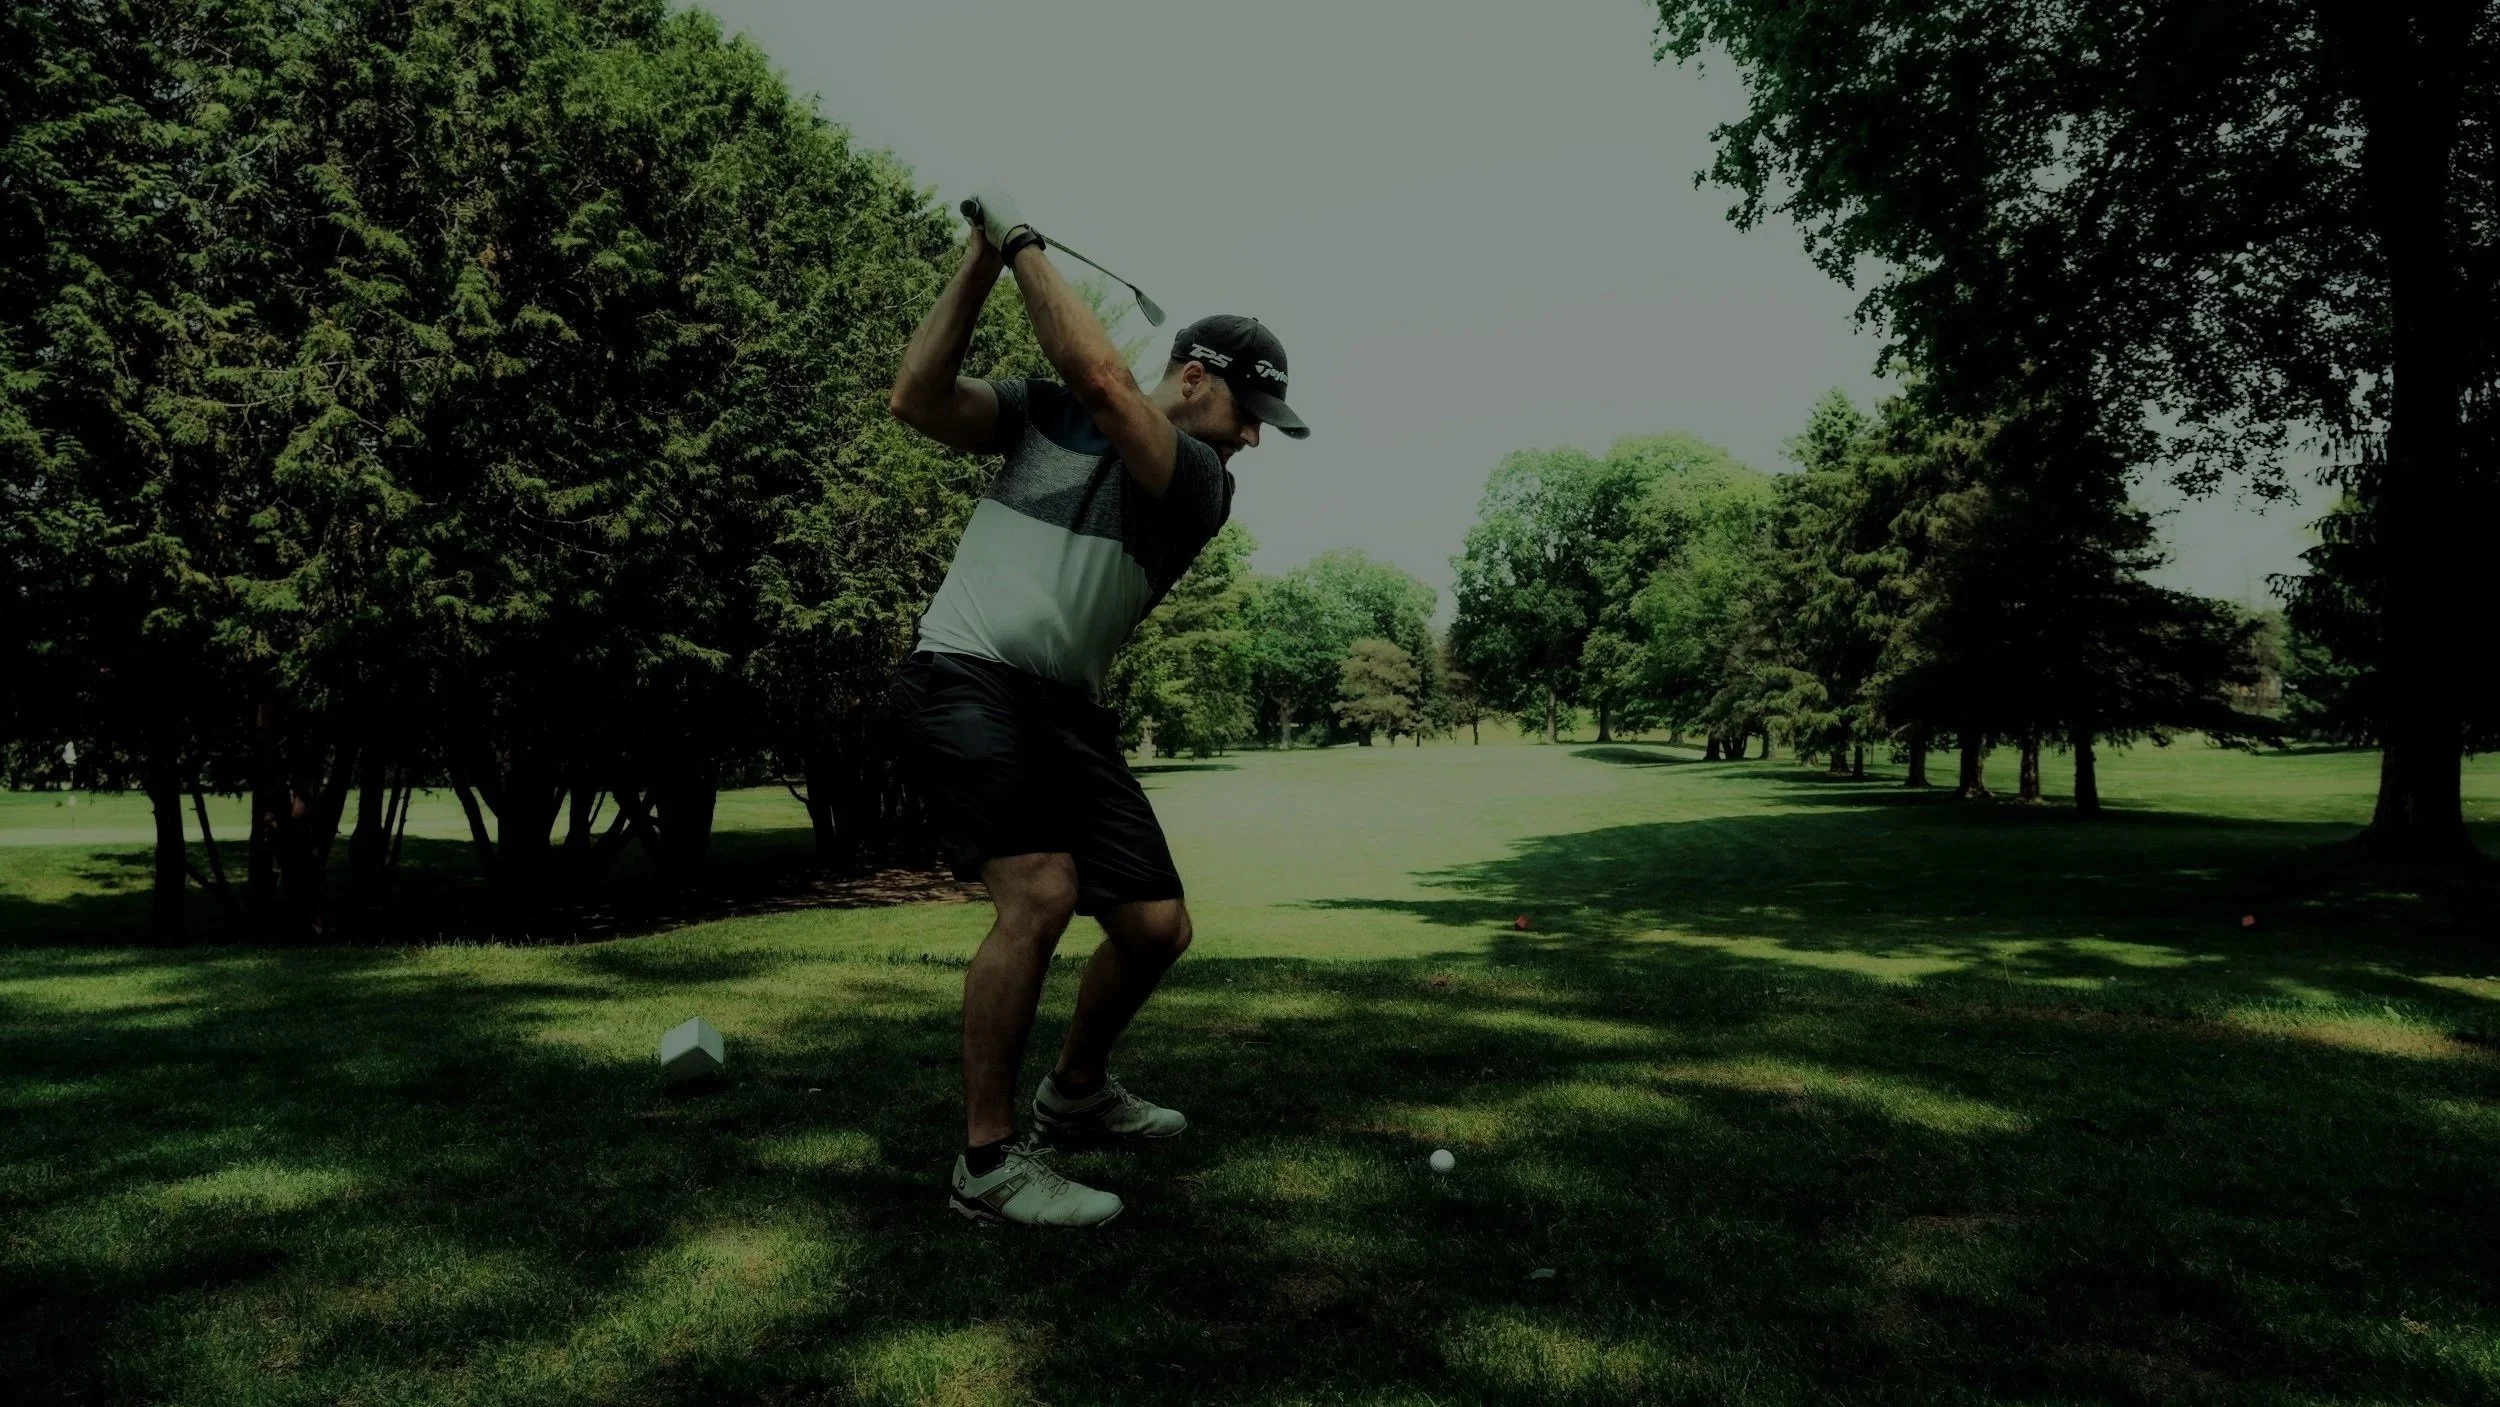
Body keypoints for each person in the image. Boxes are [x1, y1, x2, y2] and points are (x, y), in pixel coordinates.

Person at [885, 190, 1309, 1227]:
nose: (1255, 439)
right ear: (1199, 378)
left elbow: (1108, 383)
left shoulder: (1200, 479)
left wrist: (1023, 241)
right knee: (1038, 894)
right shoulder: (1042, 414)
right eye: (1250, 413)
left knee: (1156, 927)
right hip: (966, 674)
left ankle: (1073, 1094)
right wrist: (981, 259)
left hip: (1063, 708)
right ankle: (987, 1168)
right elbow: (917, 398)